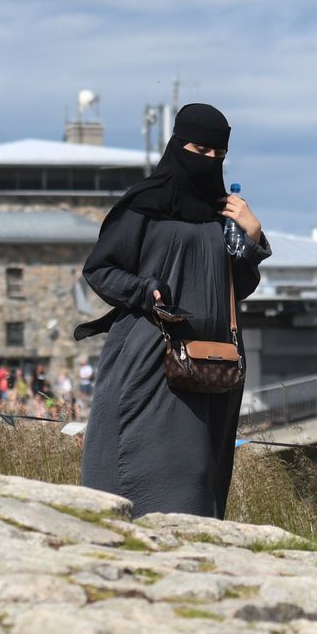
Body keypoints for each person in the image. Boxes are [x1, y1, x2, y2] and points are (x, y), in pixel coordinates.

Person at [74, 103, 271, 519]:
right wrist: (145, 290)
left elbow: (239, 287)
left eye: (219, 155)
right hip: (151, 361)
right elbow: (100, 270)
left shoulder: (224, 214)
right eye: (201, 150)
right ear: (179, 144)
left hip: (213, 366)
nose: (210, 162)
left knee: (199, 475)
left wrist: (252, 236)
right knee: (150, 466)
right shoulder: (146, 204)